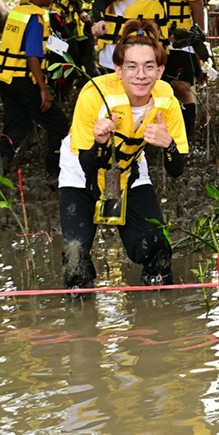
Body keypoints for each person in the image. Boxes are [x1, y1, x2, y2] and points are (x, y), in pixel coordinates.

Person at [58, 20, 188, 289]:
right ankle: (81, 311)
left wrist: (169, 145)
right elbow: (87, 163)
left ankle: (156, 311)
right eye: (132, 66)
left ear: (160, 70)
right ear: (118, 69)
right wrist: (100, 142)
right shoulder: (94, 94)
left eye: (149, 66)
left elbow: (177, 169)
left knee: (158, 248)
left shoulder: (167, 100)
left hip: (130, 167)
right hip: (82, 168)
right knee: (75, 256)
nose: (141, 75)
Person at [0, 0, 70, 176]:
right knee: (59, 123)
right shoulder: (36, 18)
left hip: (6, 78)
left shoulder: (19, 12)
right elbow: (32, 55)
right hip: (24, 80)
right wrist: (43, 88)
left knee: (14, 129)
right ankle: (55, 173)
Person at [161, 0, 207, 141]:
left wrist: (197, 39)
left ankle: (185, 139)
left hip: (180, 42)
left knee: (182, 88)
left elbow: (197, 7)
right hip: (153, 41)